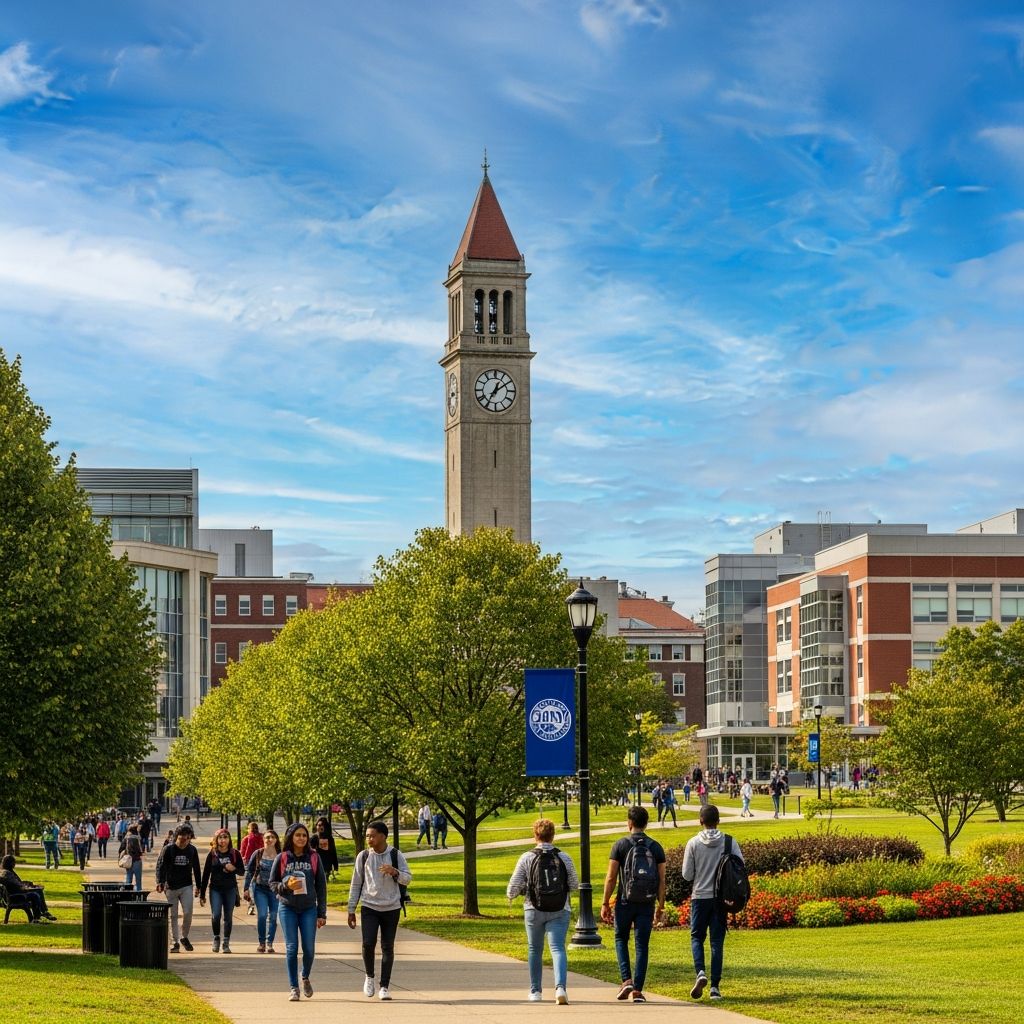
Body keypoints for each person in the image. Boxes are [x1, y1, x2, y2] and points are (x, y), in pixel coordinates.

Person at [506, 818, 579, 1004]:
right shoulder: (564, 857)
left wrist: (524, 889)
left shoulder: (527, 857)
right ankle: (561, 988)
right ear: (553, 836)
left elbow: (511, 890)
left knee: (534, 949)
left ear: (535, 835)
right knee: (557, 948)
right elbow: (574, 885)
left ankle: (535, 991)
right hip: (560, 908)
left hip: (533, 908)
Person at [599, 806, 666, 1004]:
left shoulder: (620, 845)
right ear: (646, 824)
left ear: (629, 823)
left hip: (624, 901)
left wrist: (605, 902)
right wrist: (660, 906)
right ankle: (637, 990)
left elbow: (611, 877)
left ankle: (626, 979)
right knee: (642, 945)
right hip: (646, 903)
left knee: (621, 938)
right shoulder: (655, 847)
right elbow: (662, 881)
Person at [683, 804, 743, 1002]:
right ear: (718, 821)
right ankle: (715, 987)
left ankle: (700, 972)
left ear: (701, 821)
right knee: (717, 942)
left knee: (696, 937)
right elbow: (740, 867)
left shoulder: (693, 843)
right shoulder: (729, 841)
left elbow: (687, 874)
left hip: (700, 896)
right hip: (720, 898)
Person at [348, 820, 412, 1002]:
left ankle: (384, 986)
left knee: (387, 946)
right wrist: (351, 909)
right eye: (367, 835)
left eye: (372, 835)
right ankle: (369, 977)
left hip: (391, 907)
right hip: (369, 906)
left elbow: (408, 878)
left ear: (383, 836)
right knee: (368, 943)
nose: (369, 838)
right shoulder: (363, 856)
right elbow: (356, 883)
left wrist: (395, 872)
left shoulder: (395, 855)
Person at [270, 822, 328, 1002]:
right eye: (297, 835)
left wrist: (321, 913)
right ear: (290, 837)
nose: (301, 838)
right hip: (287, 907)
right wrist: (286, 886)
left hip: (308, 909)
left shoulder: (314, 857)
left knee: (309, 949)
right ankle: (294, 987)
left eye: (304, 835)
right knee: (291, 948)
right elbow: (272, 884)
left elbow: (321, 886)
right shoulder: (282, 858)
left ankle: (305, 976)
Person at [156, 824, 202, 952]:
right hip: (170, 886)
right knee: (173, 915)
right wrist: (160, 882)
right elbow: (160, 866)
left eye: (188, 839)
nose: (184, 842)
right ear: (176, 837)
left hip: (186, 885)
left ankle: (184, 936)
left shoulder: (192, 850)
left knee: (188, 912)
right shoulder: (168, 849)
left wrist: (199, 886)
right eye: (182, 839)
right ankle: (175, 942)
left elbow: (197, 868)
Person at [200, 828, 244, 953]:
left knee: (228, 917)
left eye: (225, 837)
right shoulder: (212, 854)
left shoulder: (235, 853)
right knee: (216, 915)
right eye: (220, 837)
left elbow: (242, 871)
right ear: (216, 839)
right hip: (215, 889)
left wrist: (233, 868)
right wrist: (202, 893)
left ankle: (226, 942)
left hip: (230, 888)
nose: (223, 840)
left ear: (229, 839)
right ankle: (216, 938)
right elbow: (206, 874)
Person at [244, 828, 282, 953]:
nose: (269, 839)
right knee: (262, 915)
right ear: (263, 839)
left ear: (276, 840)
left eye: (272, 837)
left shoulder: (281, 855)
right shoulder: (258, 853)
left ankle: (269, 943)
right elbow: (249, 872)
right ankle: (262, 943)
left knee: (273, 916)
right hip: (260, 888)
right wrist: (246, 889)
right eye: (267, 837)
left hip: (275, 891)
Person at [0, 855, 57, 922]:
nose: (14, 864)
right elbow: (16, 885)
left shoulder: (7, 871)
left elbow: (17, 883)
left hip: (15, 893)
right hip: (15, 896)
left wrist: (27, 884)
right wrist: (26, 887)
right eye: (13, 863)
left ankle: (43, 913)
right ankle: (39, 916)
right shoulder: (7, 873)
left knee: (38, 891)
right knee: (35, 894)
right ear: (10, 863)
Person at [119, 823, 144, 890]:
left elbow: (120, 849)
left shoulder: (126, 838)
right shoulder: (138, 838)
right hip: (137, 861)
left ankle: (128, 895)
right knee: (138, 881)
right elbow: (141, 850)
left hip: (128, 861)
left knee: (128, 879)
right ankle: (138, 895)